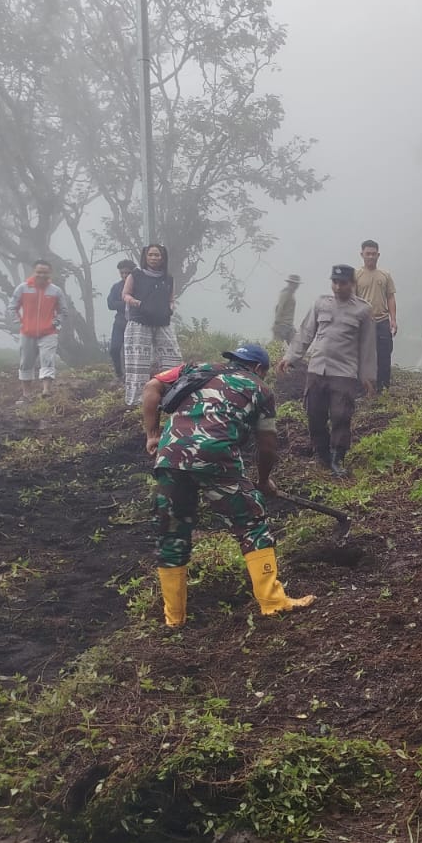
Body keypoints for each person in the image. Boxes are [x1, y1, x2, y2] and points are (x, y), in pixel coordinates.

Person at [140, 344, 314, 626]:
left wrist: (152, 434)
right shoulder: (261, 389)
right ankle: (273, 602)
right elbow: (267, 446)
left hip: (170, 457)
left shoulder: (195, 369)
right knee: (250, 521)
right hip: (215, 457)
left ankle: (174, 618)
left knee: (171, 532)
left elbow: (151, 387)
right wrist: (263, 481)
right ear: (259, 369)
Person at [279, 265, 375, 478]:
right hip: (317, 369)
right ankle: (322, 454)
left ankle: (337, 458)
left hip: (344, 371)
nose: (338, 287)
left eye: (343, 283)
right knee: (315, 414)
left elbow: (367, 346)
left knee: (341, 415)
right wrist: (290, 357)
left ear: (352, 284)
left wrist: (367, 376)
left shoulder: (363, 310)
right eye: (335, 282)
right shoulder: (321, 303)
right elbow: (306, 332)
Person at [121, 243, 182, 407]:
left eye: (158, 255)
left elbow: (171, 299)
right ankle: (136, 400)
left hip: (162, 321)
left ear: (163, 258)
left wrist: (170, 308)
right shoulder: (136, 274)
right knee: (138, 361)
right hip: (140, 321)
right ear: (145, 257)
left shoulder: (168, 278)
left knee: (173, 357)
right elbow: (125, 294)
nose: (154, 258)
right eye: (151, 255)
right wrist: (137, 303)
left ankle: (173, 395)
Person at [8, 259, 68, 402]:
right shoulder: (23, 288)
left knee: (48, 359)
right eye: (39, 272)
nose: (42, 275)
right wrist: (18, 323)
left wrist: (56, 322)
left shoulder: (55, 290)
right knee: (26, 362)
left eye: (45, 272)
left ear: (50, 273)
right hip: (27, 332)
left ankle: (46, 391)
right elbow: (12, 307)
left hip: (48, 332)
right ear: (34, 272)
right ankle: (26, 395)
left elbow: (63, 310)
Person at [354, 240, 397, 393]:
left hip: (382, 321)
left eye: (374, 254)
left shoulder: (385, 275)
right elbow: (352, 301)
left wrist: (393, 320)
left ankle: (383, 389)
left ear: (378, 255)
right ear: (362, 255)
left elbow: (390, 297)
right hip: (363, 323)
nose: (371, 257)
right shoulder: (356, 275)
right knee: (364, 357)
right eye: (368, 254)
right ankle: (364, 389)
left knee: (384, 356)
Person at [105, 258, 135, 380]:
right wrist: (127, 303)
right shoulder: (116, 287)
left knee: (132, 351)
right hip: (120, 322)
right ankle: (119, 374)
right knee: (114, 348)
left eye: (127, 273)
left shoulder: (139, 286)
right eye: (122, 273)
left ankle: (132, 375)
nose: (124, 275)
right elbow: (110, 304)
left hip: (135, 322)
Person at [272, 274, 302, 345]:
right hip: (282, 325)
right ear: (291, 284)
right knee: (277, 346)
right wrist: (277, 323)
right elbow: (279, 307)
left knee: (295, 346)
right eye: (295, 284)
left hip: (289, 325)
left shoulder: (291, 294)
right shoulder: (285, 293)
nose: (297, 286)